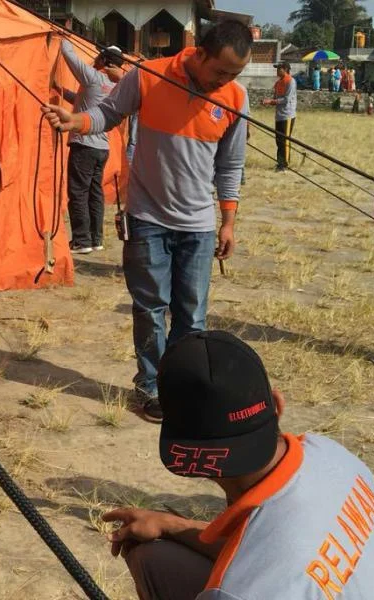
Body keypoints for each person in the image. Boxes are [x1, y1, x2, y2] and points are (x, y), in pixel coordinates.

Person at [41, 20, 250, 419]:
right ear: (200, 54)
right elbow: (108, 112)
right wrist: (76, 121)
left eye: (234, 74)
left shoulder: (236, 98)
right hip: (147, 219)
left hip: (199, 227)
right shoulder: (148, 75)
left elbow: (230, 165)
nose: (224, 81)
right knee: (151, 309)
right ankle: (151, 387)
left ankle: (183, 387)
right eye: (220, 71)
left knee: (192, 315)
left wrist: (228, 222)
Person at [104, 330, 374, 600]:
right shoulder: (328, 452)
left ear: (192, 460)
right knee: (153, 558)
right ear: (277, 405)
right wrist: (169, 525)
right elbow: (264, 553)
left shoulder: (235, 593)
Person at [53, 39, 116, 254]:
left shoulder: (94, 77)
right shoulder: (116, 87)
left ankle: (81, 241)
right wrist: (59, 88)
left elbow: (69, 55)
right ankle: (96, 238)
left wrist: (63, 35)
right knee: (94, 193)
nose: (95, 59)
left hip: (84, 145)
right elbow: (83, 100)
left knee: (78, 192)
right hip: (102, 148)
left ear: (105, 61)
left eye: (99, 56)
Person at [262, 61, 297, 172]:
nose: (277, 71)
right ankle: (280, 162)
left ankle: (284, 164)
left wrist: (271, 101)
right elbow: (275, 98)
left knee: (285, 140)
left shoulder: (291, 81)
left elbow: (286, 99)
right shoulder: (278, 83)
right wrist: (268, 102)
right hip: (279, 115)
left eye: (279, 69)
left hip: (287, 115)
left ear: (285, 69)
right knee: (279, 141)